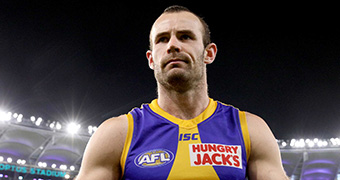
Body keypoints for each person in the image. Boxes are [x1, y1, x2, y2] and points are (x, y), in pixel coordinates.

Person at [76, 5, 288, 180]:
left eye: (185, 36)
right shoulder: (117, 134)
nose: (173, 45)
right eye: (162, 39)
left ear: (209, 53)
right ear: (151, 59)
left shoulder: (249, 129)